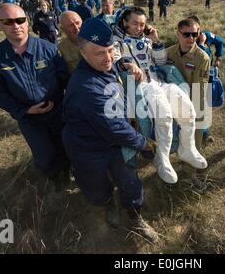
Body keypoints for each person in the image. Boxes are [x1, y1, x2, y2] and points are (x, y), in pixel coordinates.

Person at [62, 18, 159, 242]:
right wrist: (144, 143)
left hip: (112, 144)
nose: (107, 58)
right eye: (99, 53)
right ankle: (108, 205)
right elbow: (116, 128)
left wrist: (126, 61)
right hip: (88, 148)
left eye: (110, 50)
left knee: (130, 183)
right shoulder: (87, 88)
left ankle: (135, 217)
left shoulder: (103, 64)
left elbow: (115, 62)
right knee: (96, 188)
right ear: (83, 53)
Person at [112, 7, 208, 185]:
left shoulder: (146, 40)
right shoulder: (117, 41)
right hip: (142, 86)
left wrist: (155, 40)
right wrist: (128, 64)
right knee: (164, 115)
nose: (139, 28)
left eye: (142, 24)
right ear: (124, 22)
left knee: (188, 109)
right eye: (135, 23)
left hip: (158, 81)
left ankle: (187, 148)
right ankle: (162, 159)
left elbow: (161, 61)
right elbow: (115, 58)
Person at [0, 3, 71, 191]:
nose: (15, 26)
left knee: (64, 144)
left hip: (57, 111)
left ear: (27, 22)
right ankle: (54, 178)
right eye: (8, 21)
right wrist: (23, 110)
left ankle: (66, 172)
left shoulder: (48, 49)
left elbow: (65, 79)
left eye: (20, 20)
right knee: (44, 154)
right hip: (29, 117)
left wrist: (60, 102)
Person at [166, 19, 211, 151]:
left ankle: (189, 171)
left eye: (195, 34)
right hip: (172, 103)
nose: (191, 38)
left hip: (194, 105)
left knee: (192, 144)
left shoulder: (202, 58)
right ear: (178, 34)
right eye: (186, 34)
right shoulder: (168, 53)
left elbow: (199, 90)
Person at [188, 15, 225, 145]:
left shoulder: (208, 35)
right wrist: (202, 44)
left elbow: (220, 41)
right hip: (194, 77)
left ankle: (204, 132)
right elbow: (200, 58)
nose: (192, 34)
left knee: (206, 104)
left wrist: (219, 57)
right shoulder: (188, 41)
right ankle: (200, 132)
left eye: (195, 31)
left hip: (209, 75)